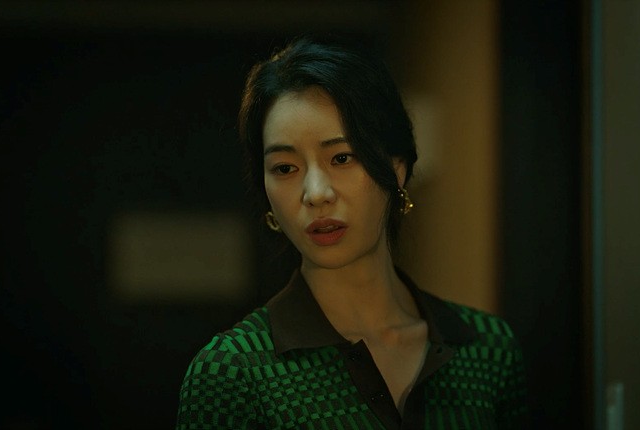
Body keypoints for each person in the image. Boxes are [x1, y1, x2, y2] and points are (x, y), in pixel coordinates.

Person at [176, 35, 527, 429]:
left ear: (396, 169)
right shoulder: (232, 371)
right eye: (285, 168)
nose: (316, 194)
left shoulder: (488, 349)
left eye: (342, 158)